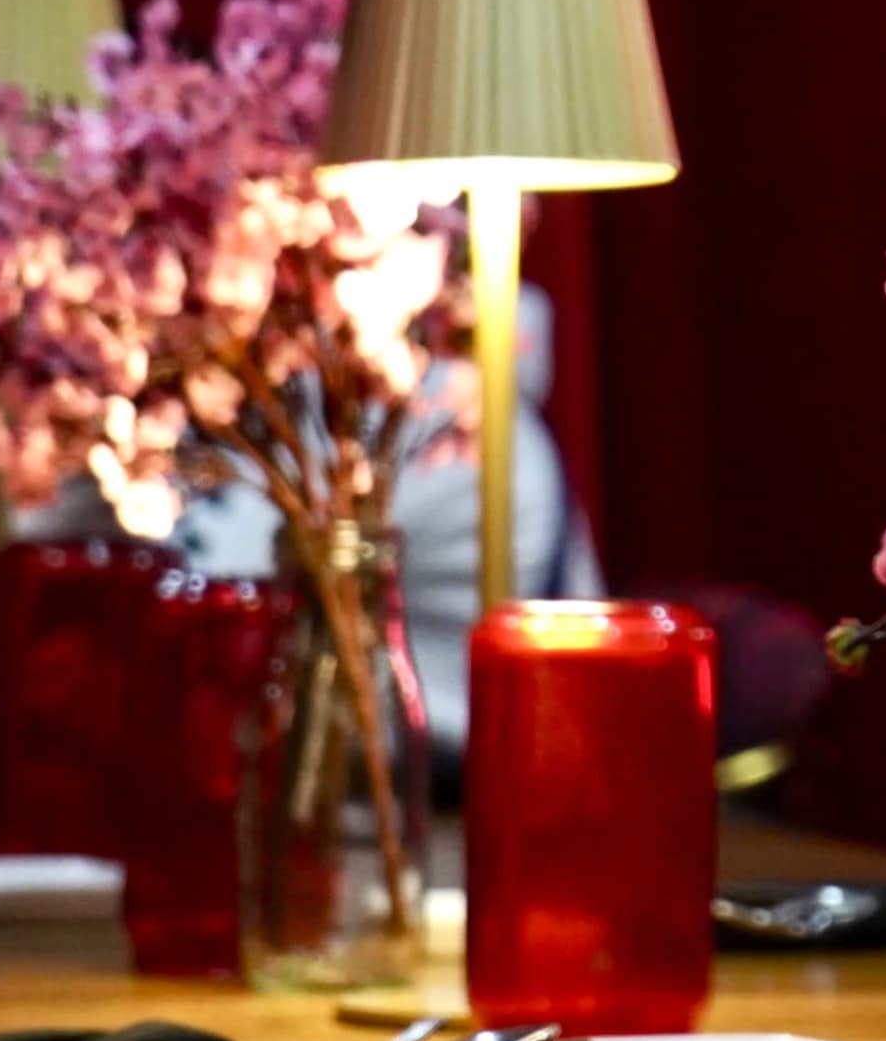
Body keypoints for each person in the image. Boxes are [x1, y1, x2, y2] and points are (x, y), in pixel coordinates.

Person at [169, 280, 601, 761]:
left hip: (461, 777)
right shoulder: (344, 385)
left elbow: (203, 600)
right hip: (356, 769)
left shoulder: (422, 398)